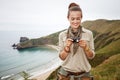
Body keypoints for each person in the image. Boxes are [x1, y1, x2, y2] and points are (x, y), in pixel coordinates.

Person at [57, 2, 95, 80]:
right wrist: (66, 48)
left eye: (78, 18)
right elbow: (62, 57)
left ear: (81, 18)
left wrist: (86, 48)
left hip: (84, 75)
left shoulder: (89, 34)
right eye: (72, 19)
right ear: (68, 18)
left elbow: (91, 56)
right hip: (65, 75)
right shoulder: (62, 35)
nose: (75, 21)